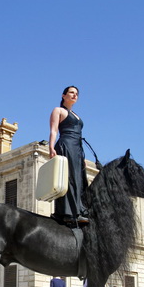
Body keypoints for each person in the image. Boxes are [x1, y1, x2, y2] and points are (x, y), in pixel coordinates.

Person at [48, 85, 89, 225]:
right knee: (68, 177)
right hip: (66, 145)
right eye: (71, 92)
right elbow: (53, 130)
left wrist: (82, 157)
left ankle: (78, 210)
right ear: (63, 95)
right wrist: (51, 147)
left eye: (76, 93)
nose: (74, 95)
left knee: (79, 179)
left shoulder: (77, 115)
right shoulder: (58, 110)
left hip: (77, 149)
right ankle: (67, 213)